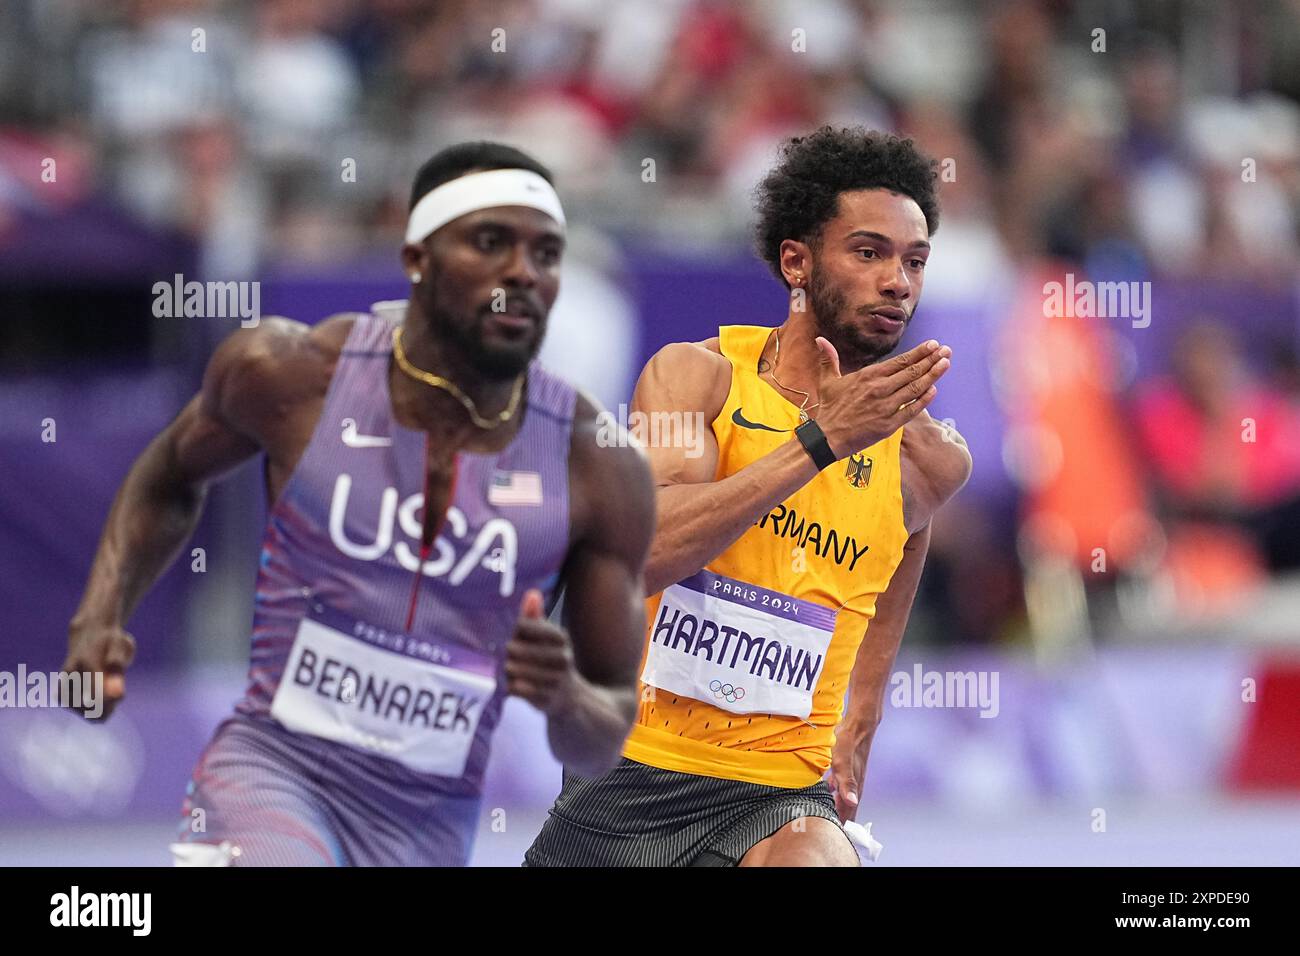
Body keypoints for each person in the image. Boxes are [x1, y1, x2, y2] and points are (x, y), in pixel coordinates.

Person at [62, 141, 655, 866]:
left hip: (426, 828)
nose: (521, 275)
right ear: (417, 260)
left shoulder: (599, 469)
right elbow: (168, 474)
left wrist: (564, 695)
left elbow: (602, 737)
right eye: (491, 243)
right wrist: (100, 614)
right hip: (270, 774)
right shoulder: (292, 376)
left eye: (546, 253)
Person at [525, 127, 972, 867]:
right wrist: (820, 440)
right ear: (796, 261)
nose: (898, 281)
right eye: (869, 253)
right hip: (629, 772)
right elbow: (647, 555)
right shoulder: (693, 380)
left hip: (779, 796)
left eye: (914, 261)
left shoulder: (928, 459)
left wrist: (864, 711)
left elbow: (898, 555)